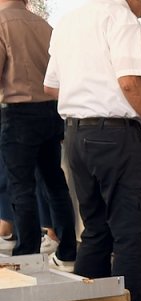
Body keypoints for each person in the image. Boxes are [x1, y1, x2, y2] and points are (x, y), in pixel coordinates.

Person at [43, 0, 141, 301]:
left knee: (96, 232)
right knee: (134, 236)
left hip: (76, 135)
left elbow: (51, 87)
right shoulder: (121, 19)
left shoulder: (69, 21)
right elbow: (130, 82)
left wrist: (87, 89)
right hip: (115, 136)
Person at [0, 0, 78, 271]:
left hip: (19, 113)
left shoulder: (1, 23)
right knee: (54, 183)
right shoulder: (45, 26)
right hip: (51, 111)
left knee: (21, 187)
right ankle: (68, 253)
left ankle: (27, 256)